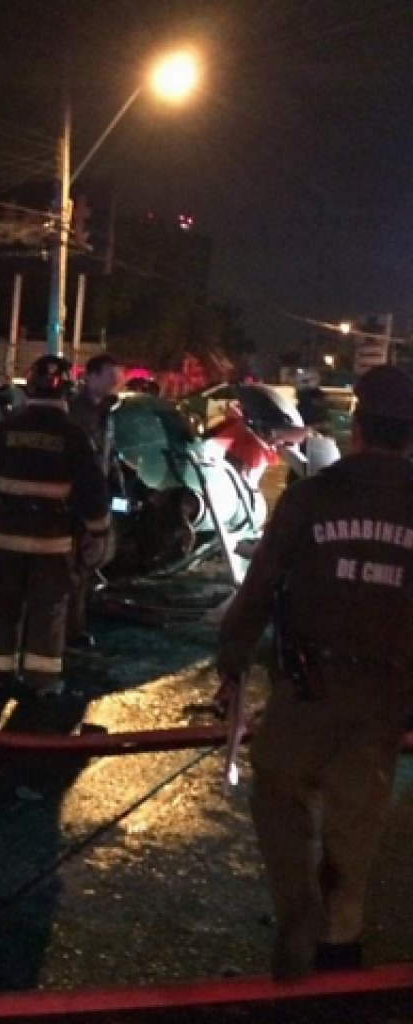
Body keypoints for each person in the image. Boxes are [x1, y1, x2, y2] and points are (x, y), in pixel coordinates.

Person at [217, 364, 413, 981]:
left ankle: (299, 916)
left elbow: (258, 591)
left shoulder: (310, 497)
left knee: (280, 794)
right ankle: (341, 935)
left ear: (357, 425)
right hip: (385, 698)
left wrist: (231, 665)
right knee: (358, 820)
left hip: (307, 689)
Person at [0, 355, 110, 698]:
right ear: (67, 391)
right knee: (47, 612)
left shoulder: (3, 430)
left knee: (3, 608)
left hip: (5, 539)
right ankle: (41, 682)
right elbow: (93, 492)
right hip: (52, 543)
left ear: (29, 388)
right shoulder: (75, 436)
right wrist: (99, 532)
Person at [65, 354, 122, 648]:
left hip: (95, 495)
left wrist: (118, 486)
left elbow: (108, 454)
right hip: (73, 499)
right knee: (73, 565)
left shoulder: (106, 413)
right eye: (110, 376)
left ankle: (74, 626)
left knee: (85, 563)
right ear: (91, 376)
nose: (116, 382)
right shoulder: (74, 411)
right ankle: (69, 630)